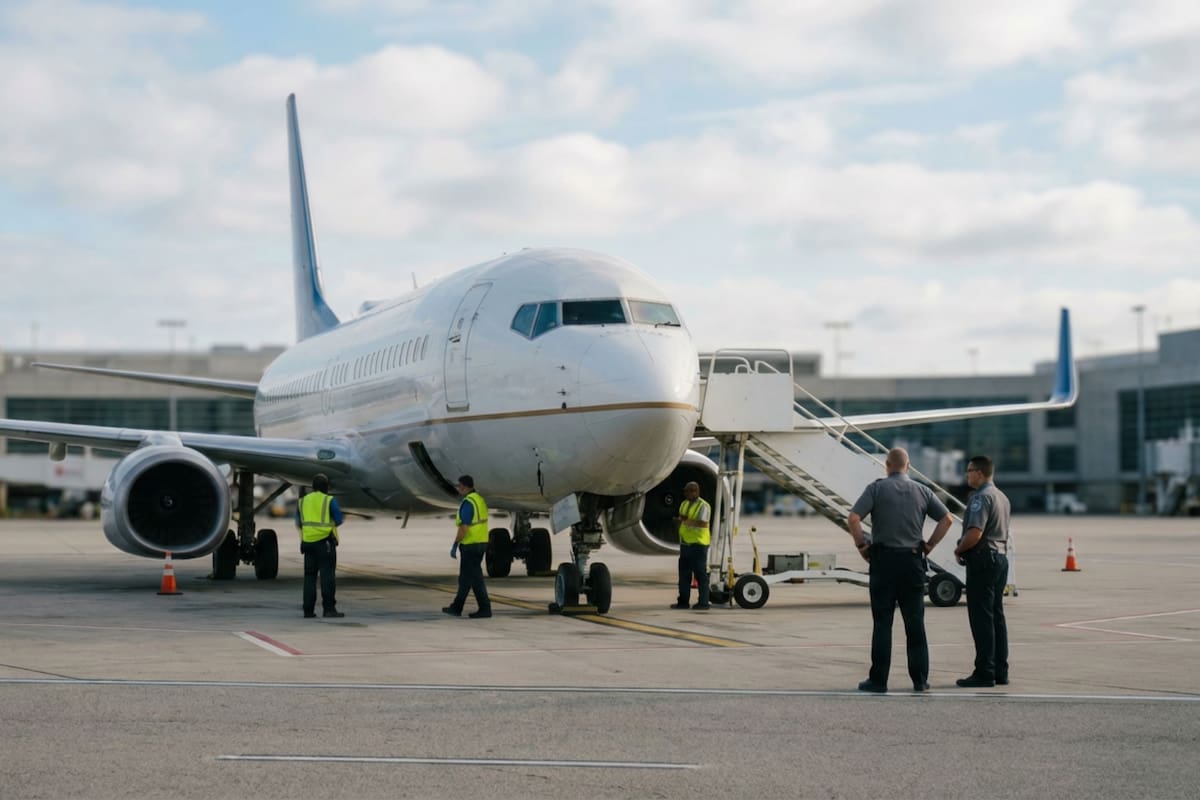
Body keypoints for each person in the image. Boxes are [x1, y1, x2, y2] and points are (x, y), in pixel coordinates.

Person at [847, 447, 953, 692]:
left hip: (883, 561)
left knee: (883, 623)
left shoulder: (876, 488)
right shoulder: (923, 490)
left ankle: (879, 680)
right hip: (912, 562)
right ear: (908, 465)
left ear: (886, 465)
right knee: (915, 623)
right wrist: (930, 545)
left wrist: (862, 545)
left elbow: (853, 517)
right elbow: (946, 519)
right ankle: (920, 680)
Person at [953, 455, 1011, 688]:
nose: (966, 475)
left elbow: (975, 532)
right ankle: (1000, 670)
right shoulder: (1002, 497)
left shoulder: (980, 498)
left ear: (979, 473)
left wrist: (959, 549)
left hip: (983, 560)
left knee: (981, 618)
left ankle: (984, 671)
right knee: (996, 616)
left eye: (969, 471)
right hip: (1000, 558)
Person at [296, 473, 345, 618]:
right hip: (324, 544)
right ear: (326, 487)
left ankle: (308, 610)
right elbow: (338, 519)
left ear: (313, 487)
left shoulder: (303, 501)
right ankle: (329, 609)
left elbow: (299, 522)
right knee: (327, 576)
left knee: (309, 577)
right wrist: (327, 527)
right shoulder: (329, 500)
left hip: (307, 543)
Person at [443, 475, 492, 619]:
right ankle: (461, 607)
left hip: (470, 544)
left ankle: (481, 608)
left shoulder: (468, 502)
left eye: (459, 486)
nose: (458, 488)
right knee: (472, 578)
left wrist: (455, 544)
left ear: (464, 486)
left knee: (468, 578)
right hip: (481, 542)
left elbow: (464, 527)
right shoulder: (479, 499)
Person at [670, 481, 712, 610]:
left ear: (696, 492)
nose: (686, 494)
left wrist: (684, 522)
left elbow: (702, 524)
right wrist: (678, 521)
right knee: (684, 574)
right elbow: (683, 517)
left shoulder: (703, 506)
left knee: (700, 574)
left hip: (699, 544)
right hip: (685, 544)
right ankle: (683, 602)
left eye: (689, 491)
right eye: (685, 491)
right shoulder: (684, 503)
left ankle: (704, 602)